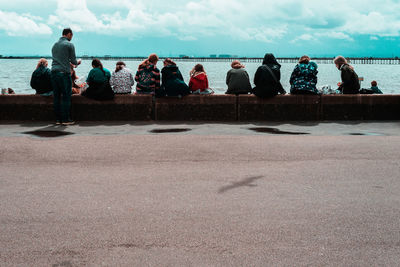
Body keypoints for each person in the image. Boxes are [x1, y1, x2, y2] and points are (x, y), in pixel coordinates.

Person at [51, 28, 81, 125]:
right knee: (66, 96)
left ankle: (57, 119)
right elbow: (73, 61)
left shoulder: (54, 45)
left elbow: (60, 59)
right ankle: (65, 119)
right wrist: (77, 63)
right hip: (64, 73)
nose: (71, 38)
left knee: (56, 96)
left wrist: (69, 64)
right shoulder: (69, 44)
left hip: (54, 72)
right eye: (71, 36)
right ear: (69, 34)